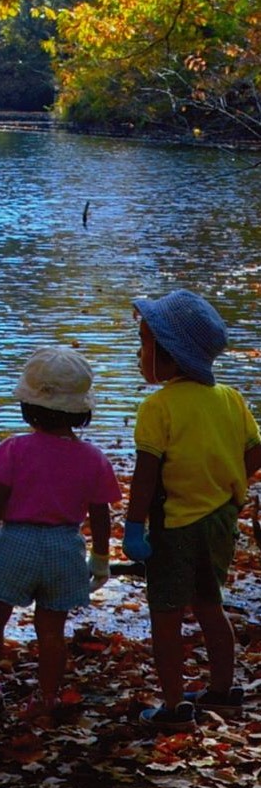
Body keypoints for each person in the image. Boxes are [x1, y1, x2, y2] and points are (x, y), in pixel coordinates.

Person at [122, 290, 261, 730]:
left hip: (175, 524)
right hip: (220, 520)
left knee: (165, 615)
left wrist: (133, 525)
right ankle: (223, 689)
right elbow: (256, 453)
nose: (139, 352)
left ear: (170, 356)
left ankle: (173, 704)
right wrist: (228, 486)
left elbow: (146, 474)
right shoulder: (230, 399)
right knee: (208, 603)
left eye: (144, 343)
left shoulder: (158, 407)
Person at [0, 346, 121, 723]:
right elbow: (101, 514)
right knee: (51, 628)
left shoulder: (15, 450)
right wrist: (100, 558)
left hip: (17, 541)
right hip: (64, 545)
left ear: (29, 404)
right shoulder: (94, 459)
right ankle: (47, 698)